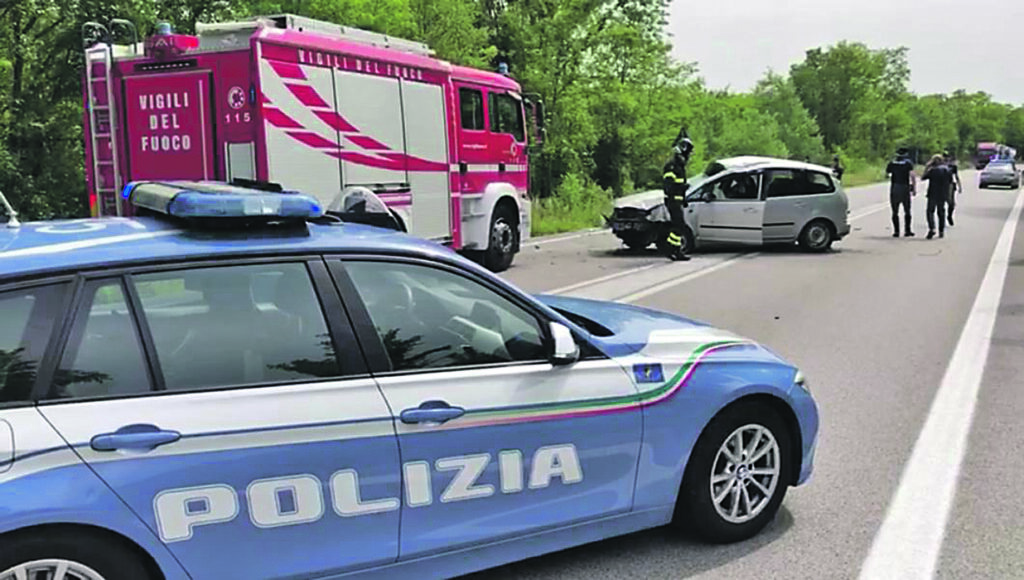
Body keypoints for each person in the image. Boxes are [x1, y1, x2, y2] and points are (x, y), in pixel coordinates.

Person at [662, 129, 694, 261]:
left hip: (678, 201)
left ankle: (673, 249)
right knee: (680, 226)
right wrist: (681, 187)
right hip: (673, 201)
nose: (689, 156)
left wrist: (683, 198)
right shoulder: (672, 166)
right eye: (688, 152)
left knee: (678, 226)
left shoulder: (679, 166)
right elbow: (669, 186)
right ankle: (672, 249)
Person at [886, 147, 917, 237]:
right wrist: (914, 188)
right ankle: (907, 230)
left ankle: (896, 231)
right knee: (907, 210)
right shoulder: (908, 163)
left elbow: (888, 173)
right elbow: (912, 175)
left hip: (895, 186)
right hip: (904, 187)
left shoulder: (892, 163)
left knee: (895, 211)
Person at [921, 154, 952, 239]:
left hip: (932, 193)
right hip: (942, 194)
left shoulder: (932, 170)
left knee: (930, 211)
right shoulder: (947, 170)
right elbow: (950, 182)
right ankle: (941, 231)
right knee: (941, 212)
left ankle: (932, 228)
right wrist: (948, 195)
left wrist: (927, 167)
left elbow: (923, 177)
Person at [944, 151, 962, 226]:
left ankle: (949, 216)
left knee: (951, 203)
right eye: (944, 157)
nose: (946, 158)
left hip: (950, 185)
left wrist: (959, 186)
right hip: (940, 185)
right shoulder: (939, 165)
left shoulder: (952, 166)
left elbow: (956, 176)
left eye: (947, 157)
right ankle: (941, 218)